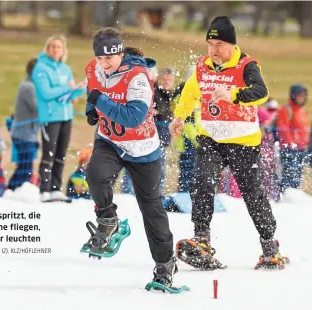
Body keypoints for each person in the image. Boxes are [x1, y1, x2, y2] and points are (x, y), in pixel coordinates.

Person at [170, 16, 288, 270]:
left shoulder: (246, 65)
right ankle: (201, 238)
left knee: (252, 194)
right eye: (210, 43)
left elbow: (261, 92)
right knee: (202, 182)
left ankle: (269, 246)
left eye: (220, 44)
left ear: (232, 45)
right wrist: (179, 116)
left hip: (243, 142)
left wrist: (234, 94)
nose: (214, 49)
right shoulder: (202, 66)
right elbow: (190, 93)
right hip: (211, 138)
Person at [83, 27, 177, 287]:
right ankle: (108, 219)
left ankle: (165, 264)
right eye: (100, 59)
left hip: (142, 149)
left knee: (151, 208)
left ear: (121, 53)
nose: (105, 64)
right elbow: (93, 91)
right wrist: (92, 108)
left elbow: (134, 118)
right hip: (110, 141)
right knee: (95, 174)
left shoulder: (138, 76)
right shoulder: (93, 68)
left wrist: (99, 102)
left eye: (110, 58)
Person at [32, 35, 87, 202]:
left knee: (61, 154)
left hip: (66, 117)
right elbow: (46, 93)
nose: (56, 49)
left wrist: (80, 88)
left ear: (63, 51)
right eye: (53, 46)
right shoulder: (40, 68)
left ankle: (56, 188)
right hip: (50, 117)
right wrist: (66, 87)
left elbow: (70, 94)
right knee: (49, 154)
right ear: (47, 49)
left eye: (59, 47)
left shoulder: (65, 69)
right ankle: (44, 190)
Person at [8, 58, 40, 191]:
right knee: (25, 167)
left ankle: (13, 189)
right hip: (23, 134)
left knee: (25, 166)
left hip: (28, 134)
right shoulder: (28, 87)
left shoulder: (31, 85)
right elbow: (38, 107)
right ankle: (14, 189)